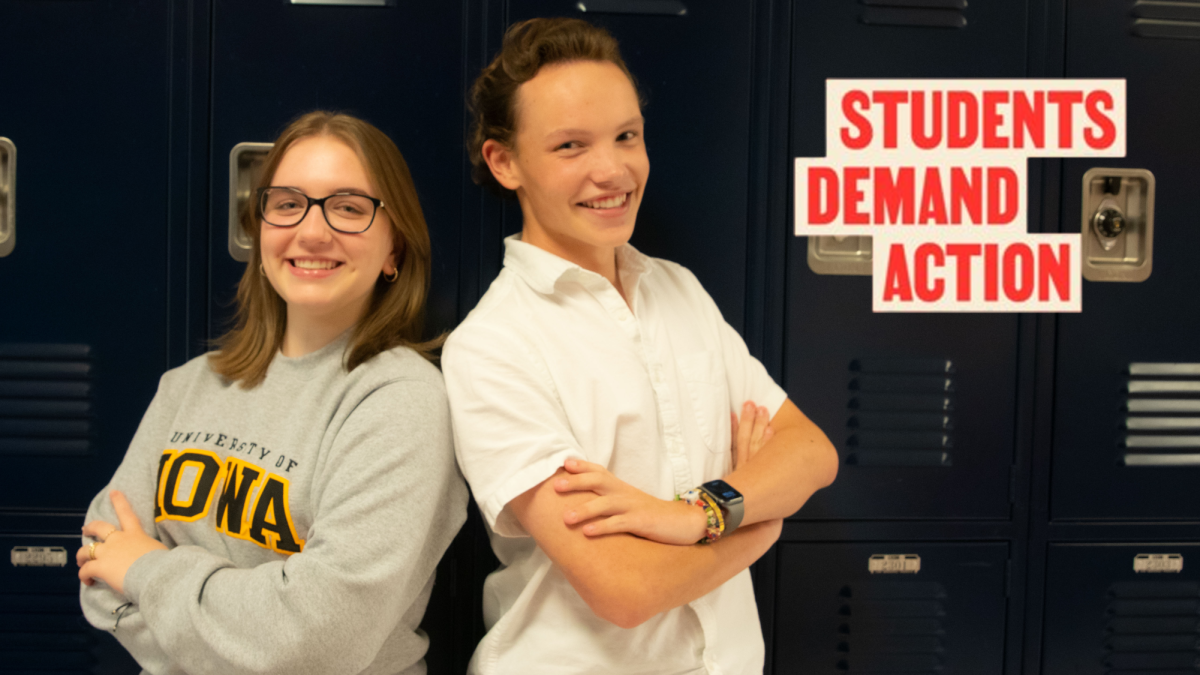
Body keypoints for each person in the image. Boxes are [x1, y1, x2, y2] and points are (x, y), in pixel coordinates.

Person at [443, 17, 839, 675]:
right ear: (504, 161)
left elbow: (812, 452)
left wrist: (692, 517)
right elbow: (624, 590)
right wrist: (757, 521)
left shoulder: (677, 291)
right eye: (571, 145)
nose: (613, 169)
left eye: (627, 136)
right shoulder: (493, 347)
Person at [77, 111, 467, 675]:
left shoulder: (400, 401)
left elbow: (315, 639)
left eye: (349, 208)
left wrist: (145, 571)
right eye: (288, 204)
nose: (312, 231)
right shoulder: (189, 385)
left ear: (394, 251)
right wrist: (251, 635)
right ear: (260, 229)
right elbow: (97, 570)